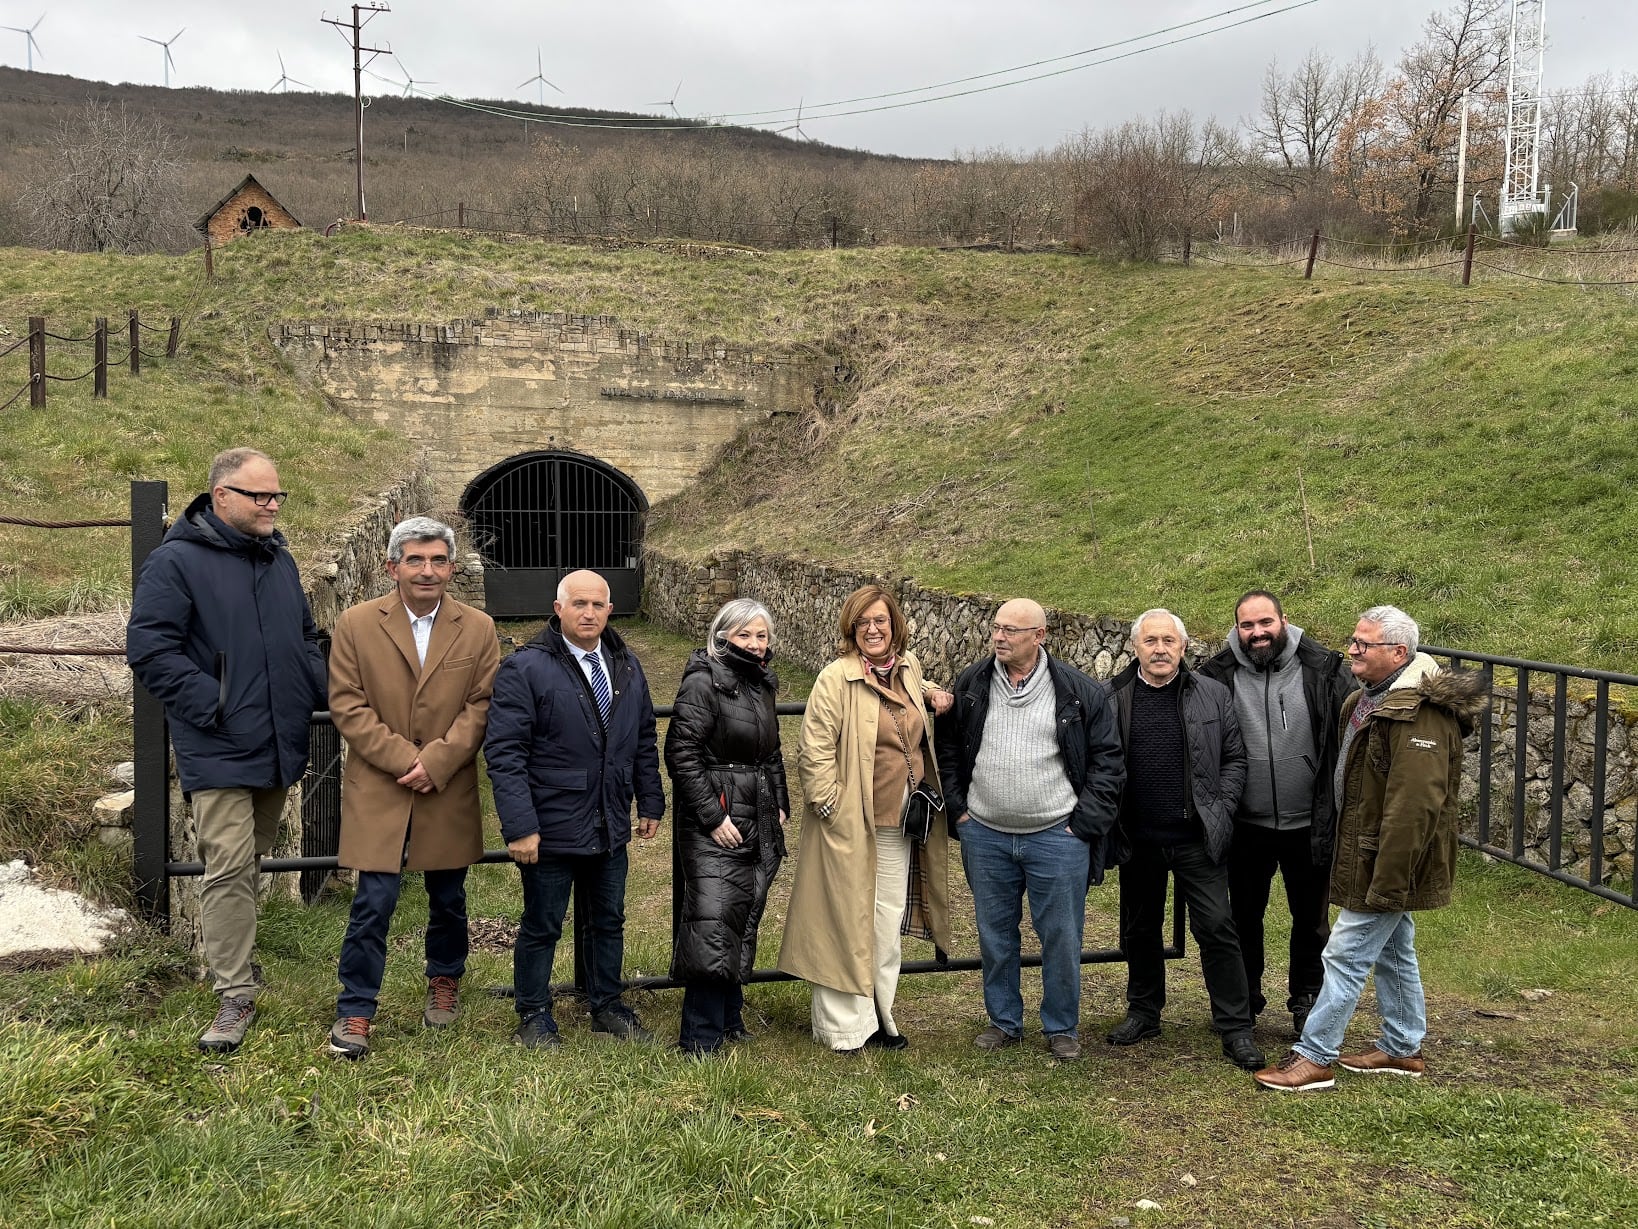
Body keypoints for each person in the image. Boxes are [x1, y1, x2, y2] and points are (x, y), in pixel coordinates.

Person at [126, 446, 326, 1054]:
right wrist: (214, 705)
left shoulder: (279, 561)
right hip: (218, 745)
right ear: (221, 498)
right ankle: (233, 993)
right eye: (259, 496)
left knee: (253, 858)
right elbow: (150, 647)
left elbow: (307, 636)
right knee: (230, 864)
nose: (271, 505)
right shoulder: (176, 563)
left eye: (276, 496)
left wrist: (315, 691)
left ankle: (238, 963)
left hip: (276, 740)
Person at [1255, 605, 1485, 1091]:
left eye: (1364, 644)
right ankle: (1402, 1048)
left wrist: (1389, 879)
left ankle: (1315, 1055)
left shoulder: (1420, 716)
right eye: (1353, 640)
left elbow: (1414, 809)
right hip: (1367, 853)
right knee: (1395, 949)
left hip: (1387, 861)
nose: (1352, 650)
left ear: (1398, 653)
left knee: (1343, 954)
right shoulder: (1368, 699)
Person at [324, 517, 499, 1060]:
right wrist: (407, 759)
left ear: (451, 566)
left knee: (449, 897)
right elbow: (347, 704)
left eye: (438, 560)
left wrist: (439, 760)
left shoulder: (478, 627)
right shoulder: (355, 624)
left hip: (446, 784)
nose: (428, 570)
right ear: (391, 566)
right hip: (381, 782)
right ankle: (355, 1008)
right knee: (373, 902)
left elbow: (483, 704)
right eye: (416, 560)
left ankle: (444, 980)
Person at [935, 598, 1125, 1061]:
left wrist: (1081, 827)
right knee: (995, 933)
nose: (999, 637)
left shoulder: (1079, 693)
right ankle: (1004, 1021)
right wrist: (959, 811)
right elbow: (950, 750)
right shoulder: (972, 684)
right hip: (985, 833)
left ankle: (1061, 1026)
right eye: (996, 628)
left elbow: (1107, 763)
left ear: (1040, 636)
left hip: (1056, 836)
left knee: (1061, 934)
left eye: (1011, 630)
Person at [484, 568, 665, 1047]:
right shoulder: (526, 668)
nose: (589, 613)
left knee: (607, 919)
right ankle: (534, 1013)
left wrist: (650, 799)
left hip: (609, 820)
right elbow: (505, 754)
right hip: (551, 821)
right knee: (543, 924)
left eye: (598, 604)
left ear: (610, 610)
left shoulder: (625, 664)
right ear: (558, 609)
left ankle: (606, 1003)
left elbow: (642, 737)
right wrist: (520, 826)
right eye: (578, 604)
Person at [777, 584, 954, 1053]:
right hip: (849, 825)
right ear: (851, 630)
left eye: (880, 620)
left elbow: (915, 697)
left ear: (894, 624)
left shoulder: (909, 668)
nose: (873, 630)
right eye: (863, 623)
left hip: (899, 826)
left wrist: (936, 694)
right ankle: (842, 1029)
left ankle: (879, 1018)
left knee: (884, 921)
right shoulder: (836, 678)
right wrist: (829, 805)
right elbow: (812, 749)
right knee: (843, 921)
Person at [1104, 609, 1266, 1072]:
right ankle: (1144, 1012)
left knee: (1216, 926)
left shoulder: (1213, 694)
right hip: (1139, 839)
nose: (1160, 649)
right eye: (1150, 641)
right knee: (1140, 928)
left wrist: (1222, 803)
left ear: (1183, 647)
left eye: (1168, 641)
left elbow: (1235, 758)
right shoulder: (1112, 697)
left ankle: (1235, 1026)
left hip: (1197, 838)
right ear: (1134, 647)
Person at [1199, 590, 1354, 1037]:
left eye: (1265, 622)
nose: (1257, 633)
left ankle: (1306, 999)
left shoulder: (1324, 670)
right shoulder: (1216, 675)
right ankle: (1243, 999)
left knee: (1311, 919)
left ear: (1284, 620)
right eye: (1247, 625)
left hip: (1311, 821)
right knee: (1244, 916)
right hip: (1246, 824)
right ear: (1236, 629)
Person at [664, 599, 790, 1057]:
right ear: (723, 637)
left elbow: (771, 752)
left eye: (761, 636)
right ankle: (700, 1036)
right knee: (713, 919)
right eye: (744, 635)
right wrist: (712, 817)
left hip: (756, 812)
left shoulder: (761, 683)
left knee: (742, 913)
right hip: (717, 818)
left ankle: (729, 1017)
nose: (755, 644)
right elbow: (681, 754)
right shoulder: (703, 682)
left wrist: (779, 804)